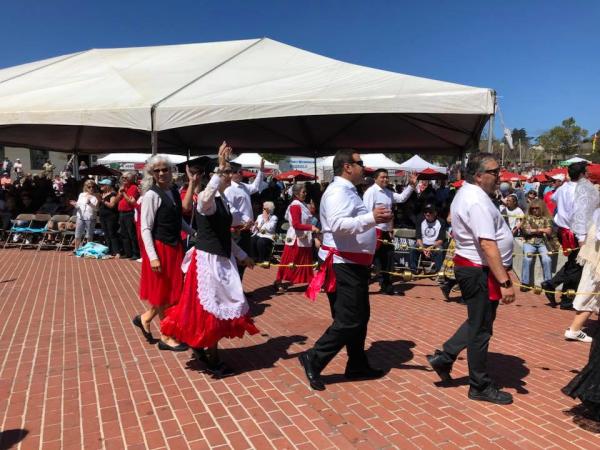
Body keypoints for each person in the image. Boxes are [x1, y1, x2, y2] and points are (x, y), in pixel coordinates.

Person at [161, 143, 259, 376]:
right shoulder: (207, 199)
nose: (228, 176)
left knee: (217, 307)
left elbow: (224, 235)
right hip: (207, 262)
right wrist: (219, 167)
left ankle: (203, 348)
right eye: (225, 173)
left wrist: (243, 256)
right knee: (211, 310)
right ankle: (212, 356)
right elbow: (204, 198)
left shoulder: (223, 201)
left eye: (227, 172)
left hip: (219, 259)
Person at [300, 149, 393, 391]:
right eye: (360, 163)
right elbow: (339, 226)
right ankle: (314, 357)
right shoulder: (337, 192)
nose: (364, 167)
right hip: (343, 265)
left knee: (359, 317)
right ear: (347, 167)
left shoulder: (349, 191)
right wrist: (371, 218)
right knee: (349, 319)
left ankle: (357, 363)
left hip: (353, 265)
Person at [427, 153, 516, 405]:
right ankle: (479, 385)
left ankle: (444, 358)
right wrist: (505, 282)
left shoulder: (468, 194)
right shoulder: (476, 200)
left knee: (477, 322)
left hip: (476, 269)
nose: (499, 176)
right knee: (481, 330)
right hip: (479, 270)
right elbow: (488, 244)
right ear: (478, 176)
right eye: (494, 172)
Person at [133, 155, 190, 351]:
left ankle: (145, 318)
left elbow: (177, 220)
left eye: (164, 169)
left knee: (173, 292)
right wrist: (153, 256)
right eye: (156, 170)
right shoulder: (151, 195)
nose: (161, 173)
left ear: (171, 170)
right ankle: (166, 337)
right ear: (152, 174)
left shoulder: (174, 191)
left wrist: (195, 234)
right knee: (166, 294)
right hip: (161, 249)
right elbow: (146, 229)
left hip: (175, 247)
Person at [542, 162, 591, 310]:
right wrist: (582, 239)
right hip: (574, 231)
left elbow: (554, 198)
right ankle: (565, 298)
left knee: (573, 263)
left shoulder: (564, 187)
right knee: (577, 265)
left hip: (563, 229)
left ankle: (555, 287)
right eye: (586, 171)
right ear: (582, 174)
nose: (588, 174)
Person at [362, 169, 416, 294]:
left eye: (387, 177)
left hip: (385, 231)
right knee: (370, 260)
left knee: (387, 258)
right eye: (382, 177)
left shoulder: (388, 192)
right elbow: (366, 212)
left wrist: (412, 185)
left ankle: (386, 286)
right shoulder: (371, 192)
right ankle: (363, 285)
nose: (385, 179)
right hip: (374, 230)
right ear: (375, 178)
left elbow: (402, 198)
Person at [563, 186, 600, 343]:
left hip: (593, 257)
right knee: (590, 292)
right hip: (595, 260)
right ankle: (574, 329)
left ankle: (575, 329)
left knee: (591, 292)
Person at [223, 157, 264, 281]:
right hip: (237, 229)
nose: (242, 174)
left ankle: (239, 287)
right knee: (237, 259)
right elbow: (232, 209)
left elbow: (256, 186)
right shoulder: (229, 189)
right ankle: (235, 288)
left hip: (246, 228)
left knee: (244, 259)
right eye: (239, 172)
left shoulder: (243, 186)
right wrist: (246, 219)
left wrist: (261, 171)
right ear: (232, 174)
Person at [274, 184, 318, 292]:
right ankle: (278, 281)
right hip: (295, 238)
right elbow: (296, 224)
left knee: (305, 261)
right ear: (296, 193)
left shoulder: (302, 204)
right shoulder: (295, 205)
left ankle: (310, 281)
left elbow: (306, 218)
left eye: (305, 192)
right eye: (303, 192)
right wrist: (311, 227)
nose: (305, 194)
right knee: (289, 260)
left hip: (304, 237)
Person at [520, 199, 553, 291]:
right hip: (529, 243)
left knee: (547, 259)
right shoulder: (527, 218)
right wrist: (542, 230)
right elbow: (526, 231)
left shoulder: (546, 218)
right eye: (533, 208)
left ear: (541, 208)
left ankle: (548, 283)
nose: (534, 210)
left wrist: (535, 230)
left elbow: (549, 231)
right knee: (527, 259)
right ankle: (525, 283)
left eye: (537, 208)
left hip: (542, 243)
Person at [408, 204, 447, 275]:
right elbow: (418, 238)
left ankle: (438, 272)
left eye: (430, 212)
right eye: (425, 212)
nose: (427, 214)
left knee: (440, 250)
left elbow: (440, 240)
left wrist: (430, 248)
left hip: (434, 246)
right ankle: (413, 270)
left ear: (435, 213)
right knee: (413, 248)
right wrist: (423, 249)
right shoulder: (420, 220)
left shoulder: (441, 222)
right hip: (423, 245)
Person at [117, 172, 141, 260]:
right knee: (124, 234)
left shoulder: (134, 187)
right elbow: (116, 200)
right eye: (122, 177)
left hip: (129, 213)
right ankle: (128, 253)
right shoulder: (123, 188)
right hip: (121, 213)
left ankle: (136, 253)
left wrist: (123, 192)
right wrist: (120, 193)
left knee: (131, 234)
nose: (123, 179)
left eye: (126, 178)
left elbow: (130, 201)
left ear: (131, 178)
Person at [70, 179, 99, 250]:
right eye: (89, 187)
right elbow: (78, 206)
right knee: (77, 235)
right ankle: (76, 249)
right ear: (86, 187)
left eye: (93, 187)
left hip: (90, 218)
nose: (91, 188)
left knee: (89, 236)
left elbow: (96, 209)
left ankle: (89, 250)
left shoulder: (96, 196)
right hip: (80, 217)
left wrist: (90, 203)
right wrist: (74, 204)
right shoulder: (81, 195)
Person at [97, 179, 121, 257]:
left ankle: (117, 251)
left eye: (103, 185)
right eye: (101, 184)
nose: (101, 186)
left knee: (112, 234)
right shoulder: (102, 194)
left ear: (108, 186)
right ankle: (109, 250)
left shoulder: (113, 194)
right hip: (103, 217)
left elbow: (112, 205)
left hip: (110, 217)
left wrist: (103, 201)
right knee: (106, 234)